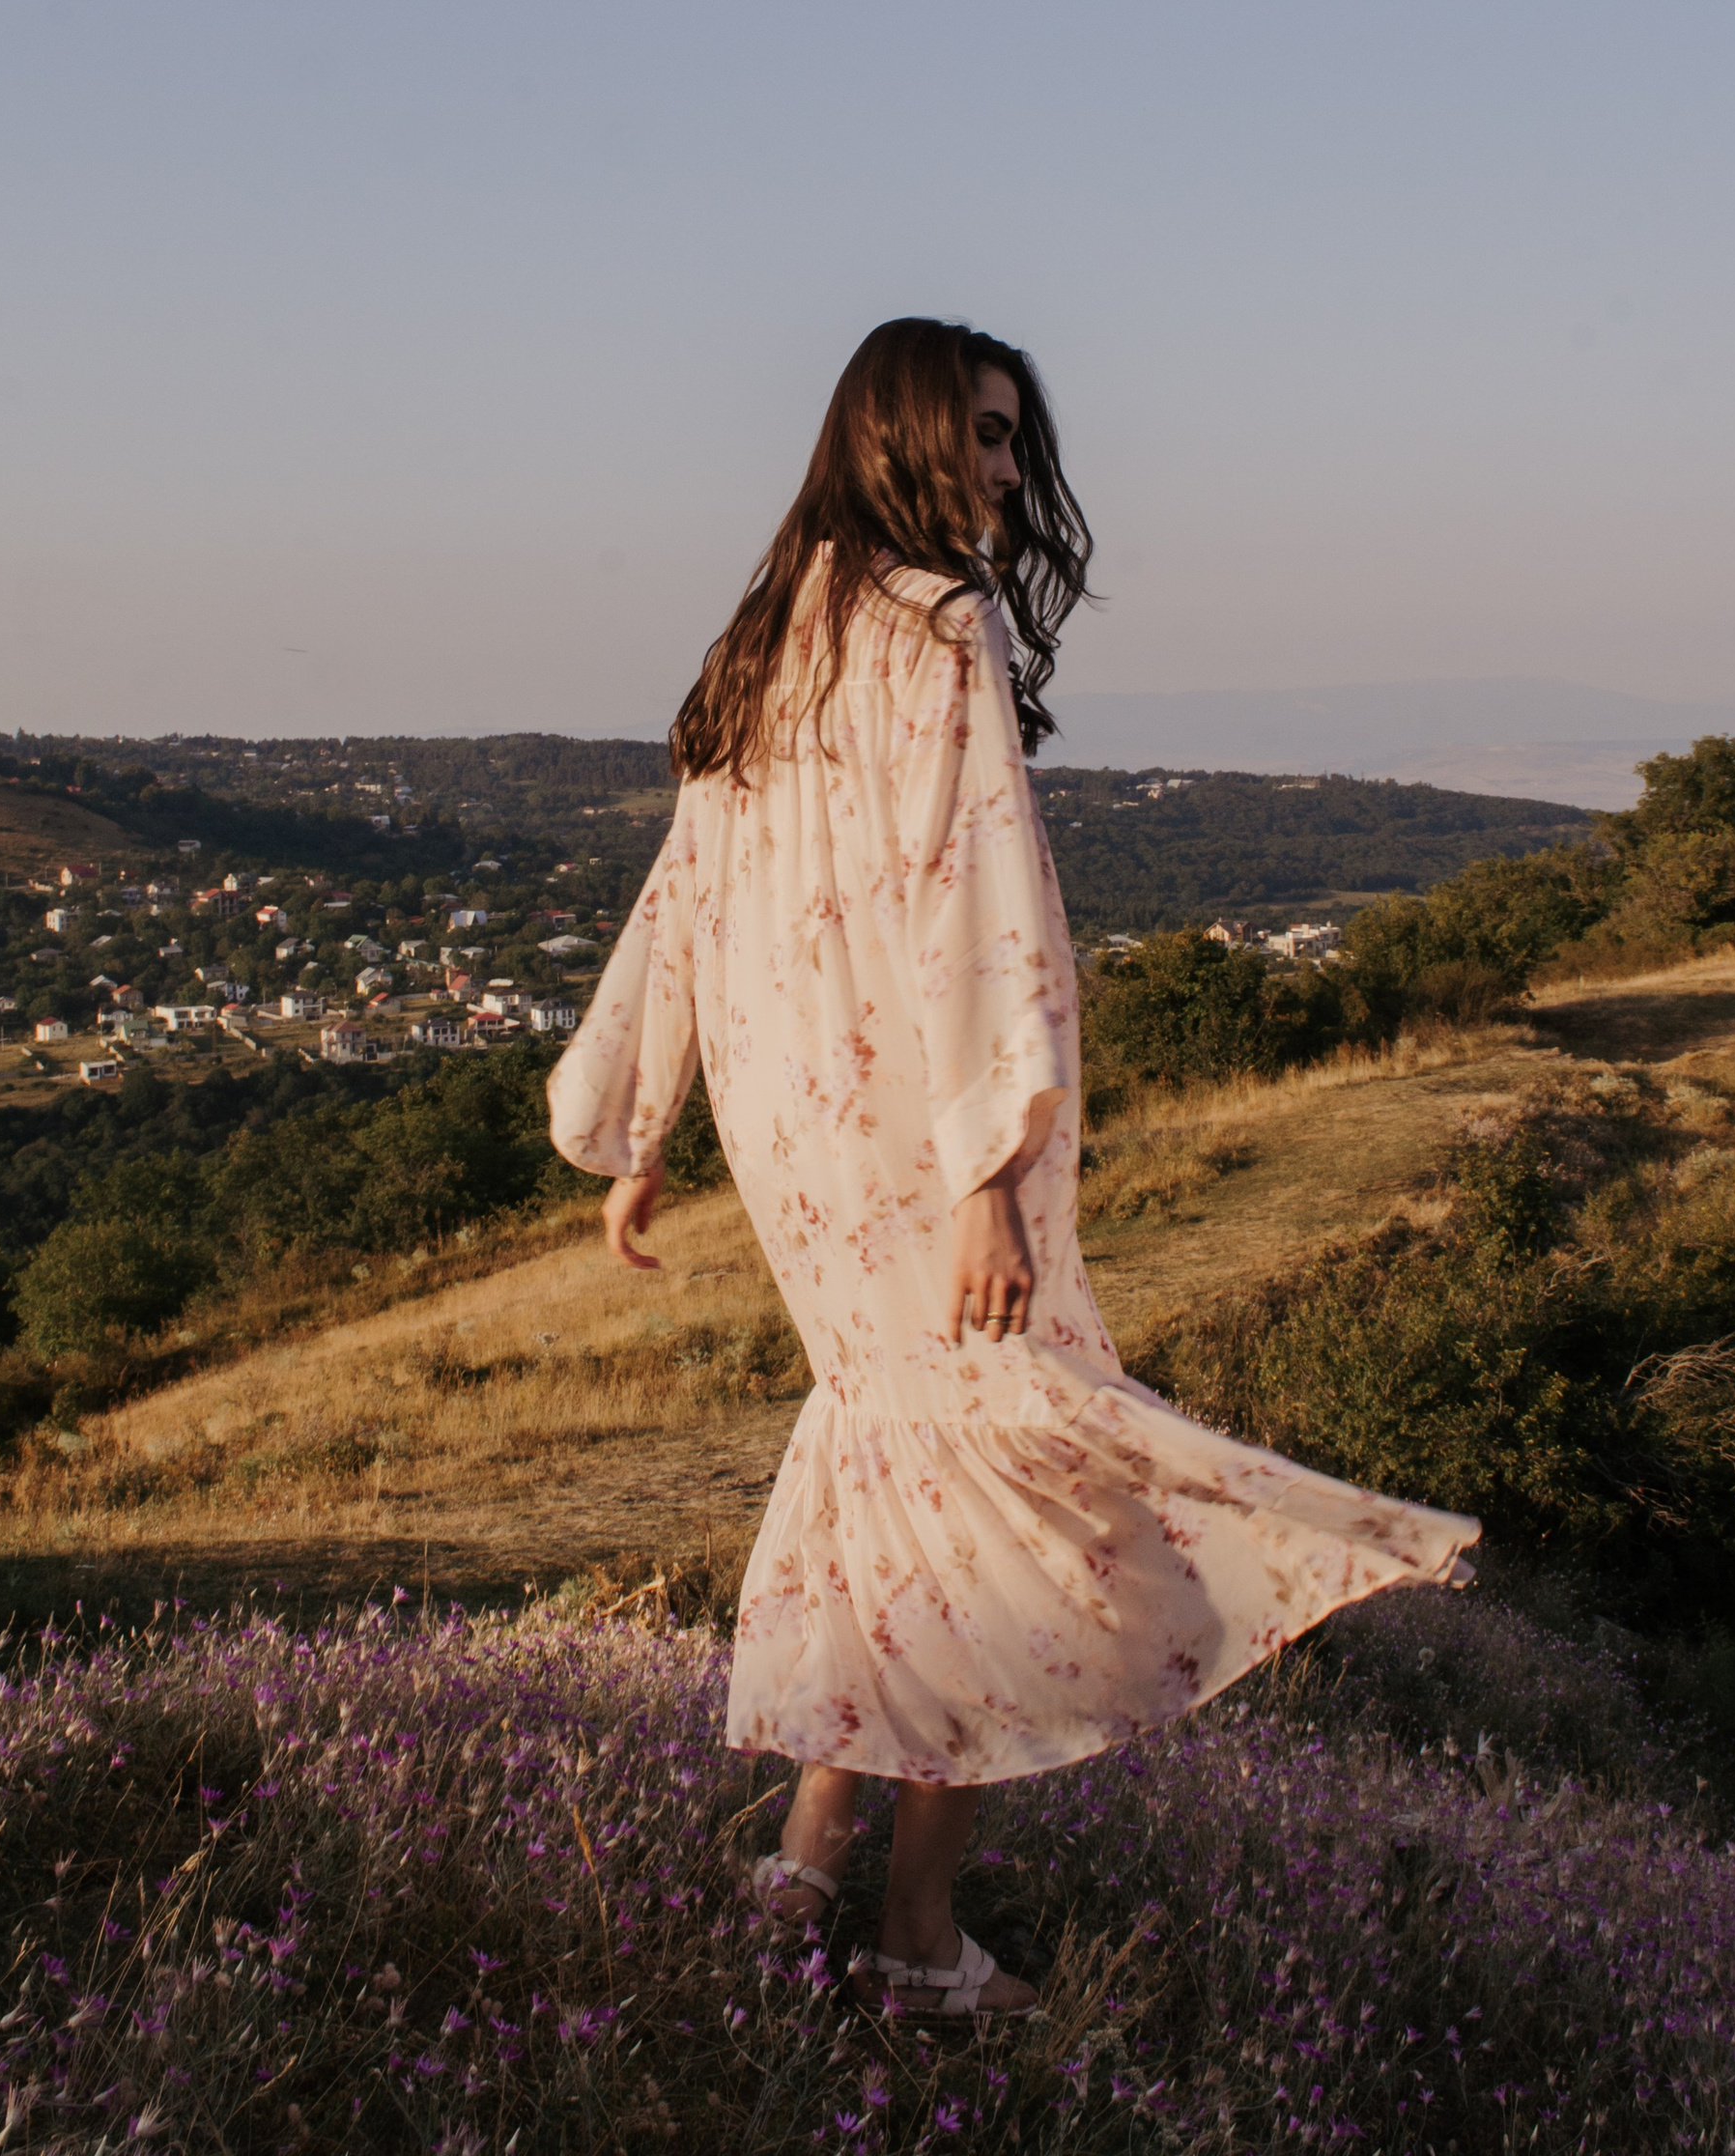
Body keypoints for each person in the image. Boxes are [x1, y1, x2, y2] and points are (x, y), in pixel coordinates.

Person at [549, 319, 1477, 2016]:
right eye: (975, 437)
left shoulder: (763, 641)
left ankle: (800, 1871)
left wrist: (641, 1127)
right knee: (995, 1523)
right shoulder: (936, 628)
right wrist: (989, 1166)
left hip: (804, 1149)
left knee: (902, 1467)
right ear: (895, 436)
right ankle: (911, 1942)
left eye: (1006, 444)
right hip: (915, 1137)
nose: (996, 473)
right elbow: (980, 906)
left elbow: (680, 902)